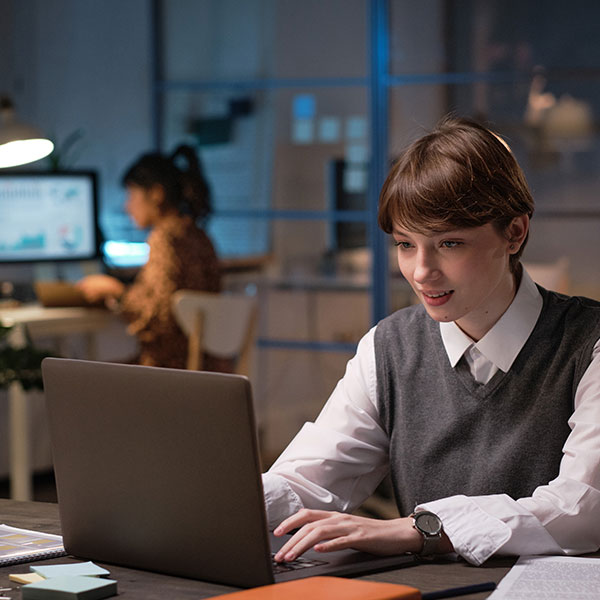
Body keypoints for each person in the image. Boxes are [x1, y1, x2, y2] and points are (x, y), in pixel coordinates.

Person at [263, 116, 600, 566]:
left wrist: (419, 529)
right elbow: (310, 480)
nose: (422, 272)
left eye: (449, 244)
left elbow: (582, 507)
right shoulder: (390, 348)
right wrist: (217, 503)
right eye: (405, 245)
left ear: (515, 232)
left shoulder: (588, 343)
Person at [78, 145, 223, 370]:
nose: (127, 206)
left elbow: (159, 315)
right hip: (209, 366)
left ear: (156, 194)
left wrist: (116, 291)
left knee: (82, 377)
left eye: (131, 194)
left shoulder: (163, 238)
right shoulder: (199, 235)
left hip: (169, 370)